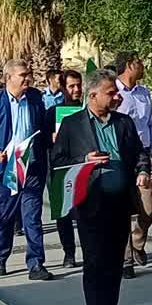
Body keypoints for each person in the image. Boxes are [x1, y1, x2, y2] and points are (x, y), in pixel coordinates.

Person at [53, 70, 152, 305]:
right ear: (93, 94)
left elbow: (139, 153)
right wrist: (83, 159)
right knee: (95, 261)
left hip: (120, 202)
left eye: (116, 92)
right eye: (111, 93)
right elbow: (57, 160)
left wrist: (142, 171)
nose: (117, 96)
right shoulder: (72, 125)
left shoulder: (124, 123)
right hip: (90, 203)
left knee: (114, 262)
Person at [0, 58, 53, 280]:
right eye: (23, 75)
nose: (28, 78)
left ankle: (36, 264)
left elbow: (42, 128)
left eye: (28, 74)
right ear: (8, 78)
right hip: (6, 169)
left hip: (32, 166)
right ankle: (0, 257)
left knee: (32, 217)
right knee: (5, 215)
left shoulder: (35, 98)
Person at [114, 52, 152, 278]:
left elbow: (150, 123)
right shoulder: (112, 92)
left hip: (145, 156)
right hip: (121, 158)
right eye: (139, 62)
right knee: (122, 210)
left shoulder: (143, 93)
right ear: (130, 66)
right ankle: (126, 260)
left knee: (148, 209)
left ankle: (138, 242)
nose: (143, 65)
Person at [47, 69, 84, 267]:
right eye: (71, 86)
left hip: (84, 169)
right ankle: (69, 253)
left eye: (79, 85)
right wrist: (52, 138)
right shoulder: (53, 112)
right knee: (63, 215)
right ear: (63, 88)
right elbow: (42, 141)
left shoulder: (88, 110)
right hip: (60, 170)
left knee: (86, 214)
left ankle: (90, 251)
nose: (76, 90)